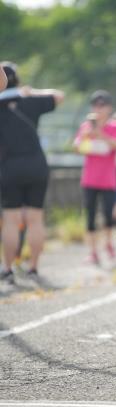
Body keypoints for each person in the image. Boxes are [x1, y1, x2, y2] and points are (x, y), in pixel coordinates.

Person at [0, 61, 64, 283]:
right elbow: (59, 96)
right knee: (35, 219)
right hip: (37, 163)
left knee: (11, 219)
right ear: (17, 80)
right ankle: (33, 268)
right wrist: (27, 91)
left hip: (9, 165)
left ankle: (7, 269)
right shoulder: (29, 99)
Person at [74, 90, 116, 264]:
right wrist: (88, 134)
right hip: (89, 179)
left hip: (109, 179)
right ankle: (93, 251)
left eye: (102, 105)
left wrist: (100, 132)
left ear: (109, 108)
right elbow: (77, 146)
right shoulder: (85, 126)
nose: (99, 108)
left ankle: (108, 244)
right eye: (95, 105)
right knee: (90, 215)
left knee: (108, 215)